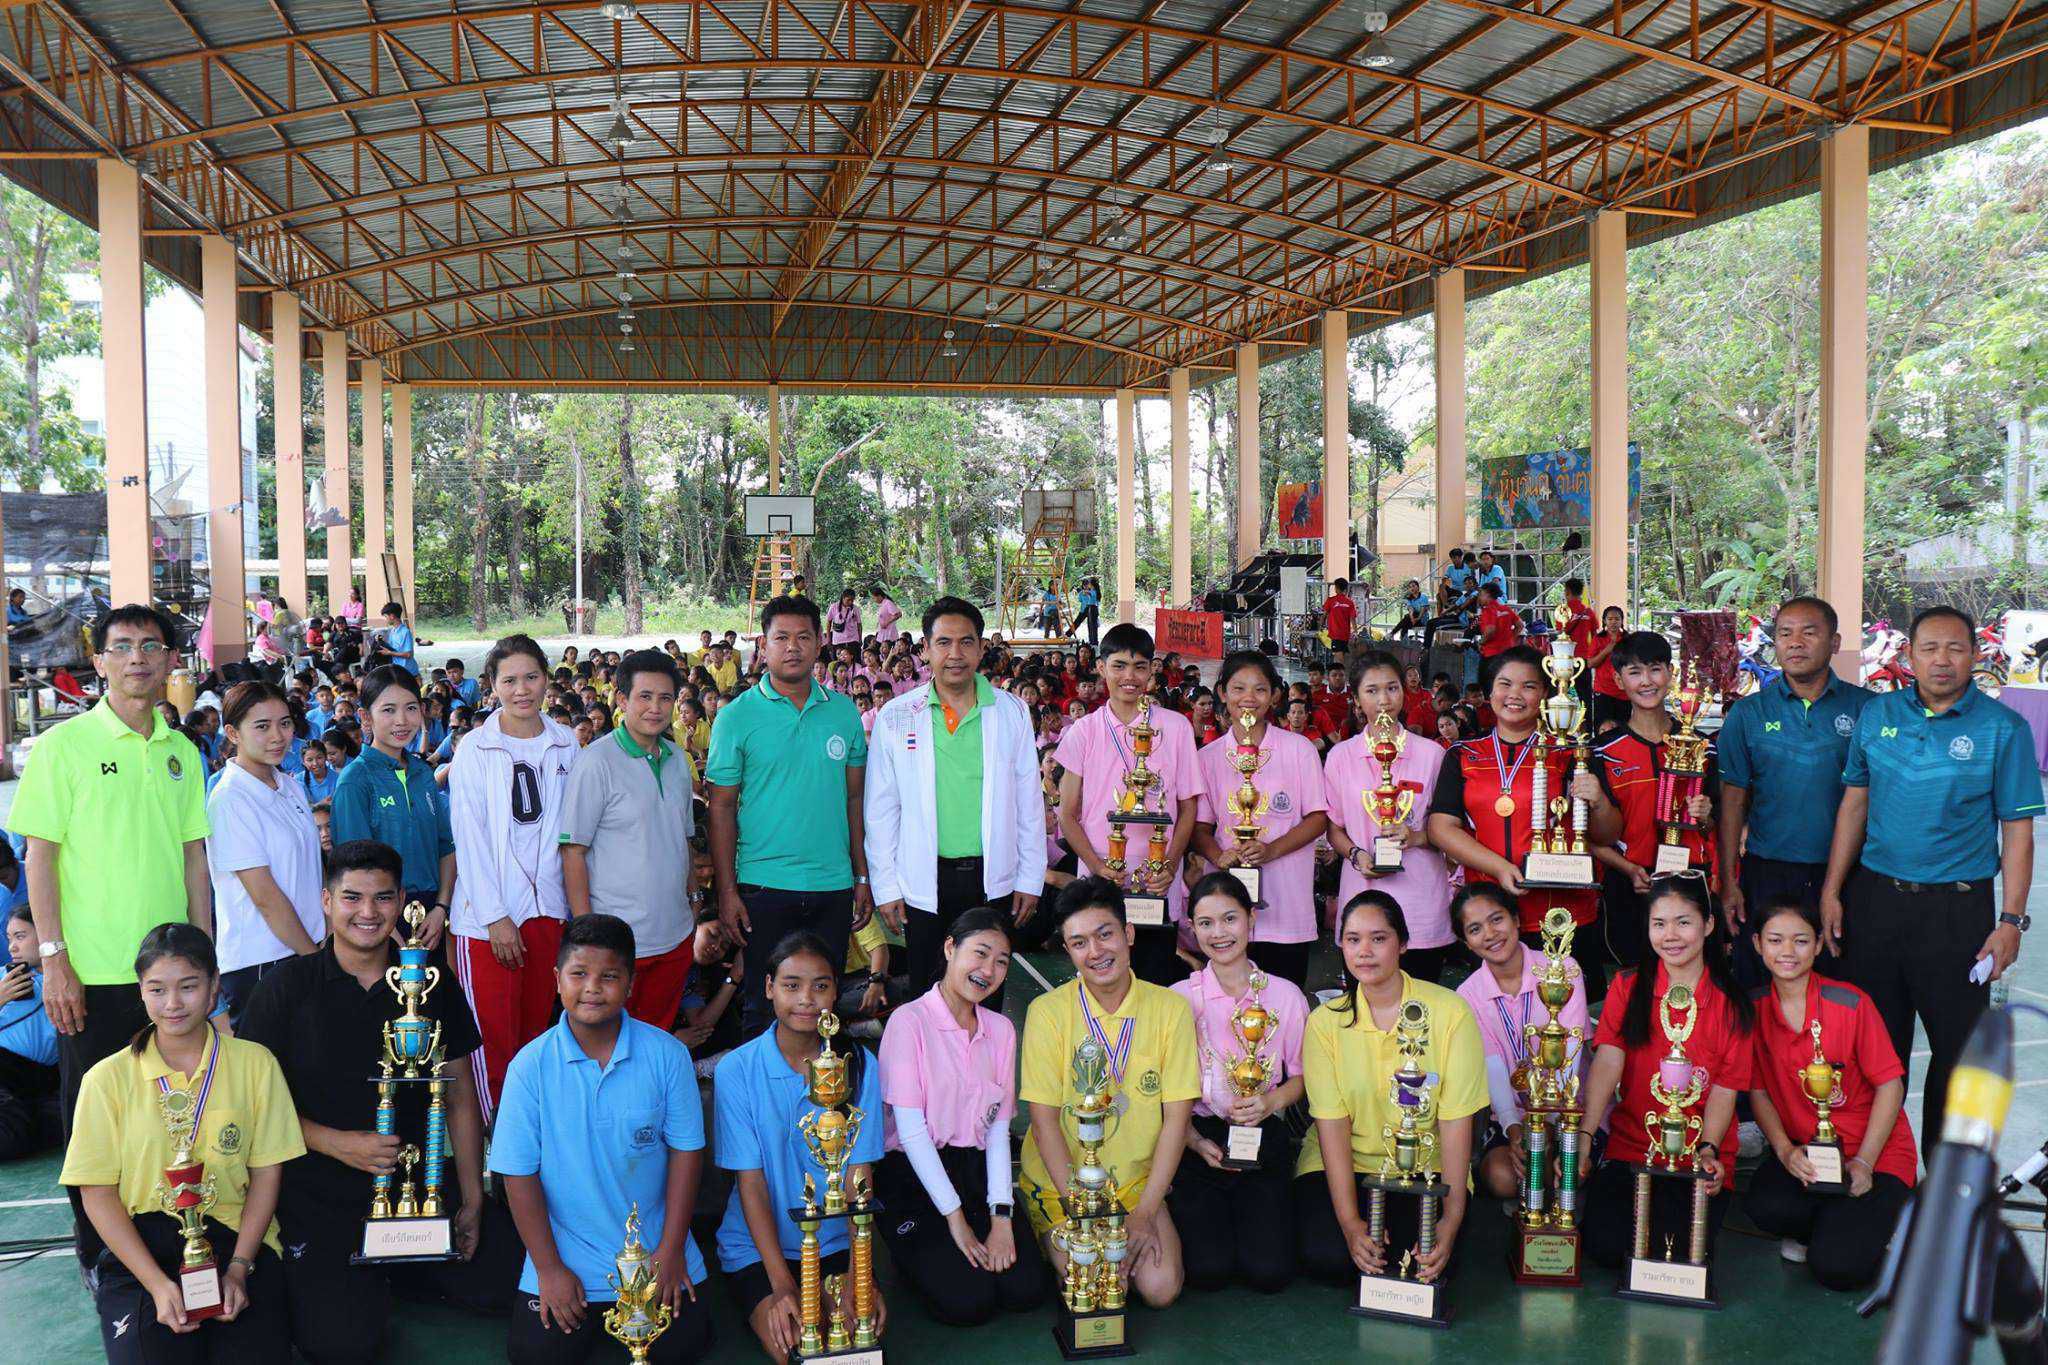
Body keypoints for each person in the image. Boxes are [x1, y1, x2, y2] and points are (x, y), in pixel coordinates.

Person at [238, 841, 521, 1363]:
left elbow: (458, 1096)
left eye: (382, 897)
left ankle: (404, 1268)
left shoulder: (430, 981)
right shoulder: (285, 989)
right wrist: (336, 1143)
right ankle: (374, 1275)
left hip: (420, 1186)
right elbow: (252, 1109)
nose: (367, 912)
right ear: (327, 901)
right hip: (320, 1194)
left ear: (401, 903)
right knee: (342, 1345)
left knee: (510, 1280)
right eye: (352, 897)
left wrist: (472, 1200)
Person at [10, 603, 211, 1260]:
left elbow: (194, 860)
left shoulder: (182, 752)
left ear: (170, 659)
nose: (136, 658)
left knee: (169, 1118)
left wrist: (204, 962)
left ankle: (164, 1243)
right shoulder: (63, 747)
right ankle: (101, 1255)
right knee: (95, 1123)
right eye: (121, 646)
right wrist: (54, 959)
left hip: (171, 978)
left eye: (150, 645)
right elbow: (39, 857)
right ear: (98, 661)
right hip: (91, 974)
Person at [1820, 604, 2042, 1154]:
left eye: (1955, 648)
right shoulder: (1878, 714)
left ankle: (1941, 1179)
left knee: (1956, 1051)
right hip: (1876, 903)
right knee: (1873, 1046)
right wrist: (1832, 890)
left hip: (1957, 914)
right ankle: (1878, 1172)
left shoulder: (2004, 729)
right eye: (1930, 648)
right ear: (1910, 655)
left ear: (1975, 654)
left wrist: (2011, 921)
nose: (1942, 660)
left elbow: (2017, 831)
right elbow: (1854, 805)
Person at [61, 924, 302, 1361]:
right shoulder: (104, 1079)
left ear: (214, 987)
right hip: (141, 1252)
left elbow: (267, 1172)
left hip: (236, 1239)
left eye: (188, 987)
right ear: (141, 991)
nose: (172, 1003)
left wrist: (238, 1269)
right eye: (157, 989)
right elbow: (96, 1192)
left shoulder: (256, 1064)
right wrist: (157, 1285)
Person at [493, 914, 715, 1364]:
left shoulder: (668, 1055)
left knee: (684, 1346)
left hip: (655, 1258)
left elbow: (687, 1154)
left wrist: (671, 1251)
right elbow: (518, 1175)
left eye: (609, 976)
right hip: (565, 1260)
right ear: (557, 980)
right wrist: (549, 1269)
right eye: (578, 974)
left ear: (630, 984)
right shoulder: (528, 1067)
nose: (592, 988)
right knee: (535, 1356)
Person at [1019, 878, 1197, 1310]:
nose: (1096, 952)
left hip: (1134, 1185)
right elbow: (1043, 1123)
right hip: (1063, 1185)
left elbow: (1177, 1119)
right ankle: (1050, 1236)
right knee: (1096, 1287)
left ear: (1128, 933)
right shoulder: (1047, 1013)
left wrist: (1143, 1214)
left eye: (1105, 934)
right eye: (1079, 943)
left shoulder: (1171, 1008)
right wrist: (1082, 1214)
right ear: (1067, 951)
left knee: (1161, 1288)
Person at [1294, 892, 1485, 1290]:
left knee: (1422, 1264)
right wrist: (1350, 1223)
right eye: (1353, 939)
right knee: (1329, 1258)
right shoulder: (1325, 1023)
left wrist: (1451, 1220)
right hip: (1348, 1163)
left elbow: (1455, 1123)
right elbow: (1332, 1125)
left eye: (1378, 938)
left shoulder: (1450, 1012)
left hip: (1427, 1166)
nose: (1364, 951)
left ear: (1403, 944)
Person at [713, 931, 886, 1363]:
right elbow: (751, 1183)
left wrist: (859, 1273)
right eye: (792, 985)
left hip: (835, 1243)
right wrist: (782, 1285)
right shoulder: (737, 1069)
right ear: (769, 987)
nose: (807, 999)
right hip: (757, 1247)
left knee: (853, 1341)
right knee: (796, 1345)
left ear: (836, 991)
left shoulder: (859, 1065)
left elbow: (859, 1176)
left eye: (820, 985)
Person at [708, 596, 872, 1040]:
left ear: (820, 643)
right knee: (762, 1007)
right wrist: (727, 890)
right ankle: (760, 1088)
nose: (793, 647)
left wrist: (861, 876)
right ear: (764, 645)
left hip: (832, 886)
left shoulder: (844, 712)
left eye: (803, 637)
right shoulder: (735, 717)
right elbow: (721, 807)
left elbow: (854, 799)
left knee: (823, 1009)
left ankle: (820, 1087)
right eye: (781, 637)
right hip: (762, 886)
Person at [865, 597, 1045, 998]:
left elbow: (1029, 804)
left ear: (981, 648)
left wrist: (1030, 877)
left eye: (966, 642)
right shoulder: (897, 715)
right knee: (927, 992)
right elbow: (881, 811)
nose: (955, 654)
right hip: (922, 879)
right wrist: (887, 887)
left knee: (986, 991)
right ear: (926, 649)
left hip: (992, 879)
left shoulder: (1012, 711)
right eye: (943, 643)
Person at [876, 906, 1047, 1325]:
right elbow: (912, 1134)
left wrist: (1001, 1216)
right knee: (969, 1302)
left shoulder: (1000, 1030)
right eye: (980, 953)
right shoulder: (908, 1022)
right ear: (950, 948)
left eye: (1001, 961)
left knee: (1026, 1289)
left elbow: (998, 1131)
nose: (989, 970)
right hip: (913, 1173)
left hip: (975, 1170)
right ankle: (913, 1250)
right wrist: (955, 1218)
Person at [1575, 877, 1752, 1269]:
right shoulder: (1627, 987)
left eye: (1683, 922)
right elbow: (1608, 1062)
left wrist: (1709, 1149)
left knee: (1677, 1252)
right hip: (1633, 1149)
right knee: (1607, 1247)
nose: (1670, 935)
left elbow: (1725, 1088)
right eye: (1659, 923)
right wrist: (1585, 1135)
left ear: (1708, 924)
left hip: (1699, 1157)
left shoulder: (1733, 1004)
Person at [1742, 896, 1915, 1289]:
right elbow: (1758, 1091)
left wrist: (1865, 1163)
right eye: (1775, 940)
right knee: (1765, 1206)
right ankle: (1832, 1228)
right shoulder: (1752, 1009)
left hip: (1876, 1155)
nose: (1788, 951)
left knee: (1838, 1270)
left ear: (1819, 944)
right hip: (1811, 1154)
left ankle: (1888, 1225)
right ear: (1757, 944)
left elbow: (1890, 1085)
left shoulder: (1851, 1003)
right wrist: (1785, 1151)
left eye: (1801, 940)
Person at [449, 635, 578, 1123]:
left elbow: (573, 833)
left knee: (535, 1037)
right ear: (492, 685)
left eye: (531, 677)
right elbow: (470, 837)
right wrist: (495, 916)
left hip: (548, 909)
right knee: (493, 1043)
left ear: (546, 678)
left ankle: (531, 1141)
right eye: (509, 680)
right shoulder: (475, 748)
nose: (521, 689)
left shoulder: (566, 743)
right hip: (490, 920)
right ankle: (498, 1148)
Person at [1426, 646, 1619, 973]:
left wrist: (1598, 801)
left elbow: (1607, 834)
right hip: (1490, 913)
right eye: (1505, 684)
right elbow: (1440, 828)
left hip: (1562, 912)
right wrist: (1500, 868)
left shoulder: (1573, 753)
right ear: (1489, 693)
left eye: (1528, 686)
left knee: (1566, 1000)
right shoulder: (1463, 754)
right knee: (1495, 1001)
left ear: (1544, 694)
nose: (1515, 694)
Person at [1716, 596, 1870, 987]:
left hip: (1847, 875)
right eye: (1785, 633)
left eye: (1809, 632)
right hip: (1767, 873)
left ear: (1834, 643)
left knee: (1838, 988)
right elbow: (1732, 801)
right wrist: (1729, 881)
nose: (1795, 642)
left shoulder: (1868, 709)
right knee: (1761, 991)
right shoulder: (1748, 714)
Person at [1167, 874, 1308, 1294]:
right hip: (1197, 1137)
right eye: (1205, 923)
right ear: (1192, 928)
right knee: (1207, 1272)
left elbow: (1302, 1077)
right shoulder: (1177, 998)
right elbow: (1162, 1092)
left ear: (1251, 920)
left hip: (1262, 1130)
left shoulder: (1285, 996)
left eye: (1230, 918)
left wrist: (1271, 1102)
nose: (1219, 933)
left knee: (1270, 1273)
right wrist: (1192, 1140)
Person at [1052, 624, 1200, 985]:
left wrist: (1169, 865)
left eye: (1139, 667)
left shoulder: (1176, 727)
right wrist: (1097, 867)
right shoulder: (1083, 731)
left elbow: (1188, 808)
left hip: (1157, 884)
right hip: (1100, 883)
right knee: (1102, 981)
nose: (1129, 677)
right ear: (1101, 668)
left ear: (1152, 671)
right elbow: (1067, 814)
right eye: (1119, 666)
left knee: (1155, 982)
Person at [561, 649, 700, 1030]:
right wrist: (588, 934)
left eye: (665, 698)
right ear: (621, 700)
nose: (656, 708)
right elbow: (573, 852)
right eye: (645, 696)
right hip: (617, 944)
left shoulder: (677, 759)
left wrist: (694, 899)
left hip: (675, 936)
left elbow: (683, 836)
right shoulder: (597, 762)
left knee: (655, 1039)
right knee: (609, 1041)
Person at [1189, 651, 1328, 989]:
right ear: (1222, 693)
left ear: (1275, 695)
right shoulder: (1207, 757)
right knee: (1226, 1006)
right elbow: (1200, 828)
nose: (1248, 698)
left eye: (1260, 689)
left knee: (1285, 1002)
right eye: (1238, 688)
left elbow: (1318, 818)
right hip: (1226, 910)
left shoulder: (1300, 749)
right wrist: (1219, 855)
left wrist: (1271, 850)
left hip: (1287, 907)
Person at [1589, 630, 1719, 976]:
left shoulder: (1704, 748)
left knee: (1693, 979)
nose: (1646, 681)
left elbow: (1716, 824)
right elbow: (1589, 836)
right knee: (1636, 981)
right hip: (1630, 883)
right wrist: (1627, 868)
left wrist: (1705, 816)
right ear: (1619, 680)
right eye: (1634, 672)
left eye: (1655, 669)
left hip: (1691, 882)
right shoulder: (1602, 751)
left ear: (1670, 674)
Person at [1322, 651, 1454, 983]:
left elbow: (1450, 827)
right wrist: (1356, 855)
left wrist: (1417, 837)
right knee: (1365, 1004)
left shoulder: (1432, 754)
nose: (1384, 700)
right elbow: (1333, 827)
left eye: (1392, 688)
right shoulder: (1340, 756)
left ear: (1404, 692)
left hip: (1421, 905)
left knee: (1421, 1004)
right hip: (1362, 901)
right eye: (1372, 690)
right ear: (1356, 699)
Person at [1451, 884, 1589, 1200]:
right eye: (1475, 929)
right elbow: (1493, 1068)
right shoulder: (1467, 995)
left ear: (1516, 919)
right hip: (1509, 1114)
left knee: (1567, 1173)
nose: (1490, 934)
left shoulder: (1563, 969)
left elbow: (1571, 1052)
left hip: (1568, 1108)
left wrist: (1548, 1124)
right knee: (1503, 1177)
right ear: (1466, 943)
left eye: (1496, 919)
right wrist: (1515, 1132)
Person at [205, 681, 324, 1025]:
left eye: (284, 723)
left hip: (306, 949)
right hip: (261, 962)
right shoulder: (230, 799)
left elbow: (310, 870)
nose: (278, 736)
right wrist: (314, 959)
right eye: (262, 726)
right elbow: (265, 897)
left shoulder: (290, 785)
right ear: (233, 733)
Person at [331, 666, 455, 938]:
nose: (402, 720)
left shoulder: (423, 773)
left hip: (431, 916)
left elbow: (445, 846)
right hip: (378, 919)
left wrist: (441, 908)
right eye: (388, 710)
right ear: (366, 716)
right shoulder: (356, 780)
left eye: (410, 708)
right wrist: (387, 931)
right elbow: (353, 867)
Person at [0, 904, 60, 1159]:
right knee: (10, 1137)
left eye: (20, 936)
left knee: (67, 1122)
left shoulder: (70, 983)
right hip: (4, 1069)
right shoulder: (4, 978)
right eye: (9, 938)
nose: (12, 947)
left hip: (41, 1080)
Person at [1588, 605, 1628, 730]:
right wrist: (1606, 650)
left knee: (1622, 729)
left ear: (1622, 621)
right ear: (1604, 621)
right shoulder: (1598, 639)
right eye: (1610, 619)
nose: (1613, 622)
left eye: (1617, 619)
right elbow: (1590, 664)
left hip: (1624, 691)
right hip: (1603, 690)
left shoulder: (1628, 639)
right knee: (1602, 727)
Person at [1473, 582, 1521, 660]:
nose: (1479, 598)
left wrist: (1481, 642)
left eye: (1481, 595)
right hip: (1508, 651)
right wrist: (1511, 638)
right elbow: (1520, 625)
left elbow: (1490, 631)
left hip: (1492, 653)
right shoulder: (1506, 609)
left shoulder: (1488, 611)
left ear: (1487, 595)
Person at [368, 602, 418, 677]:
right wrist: (380, 640)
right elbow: (393, 647)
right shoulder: (393, 631)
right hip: (397, 668)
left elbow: (409, 654)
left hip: (407, 670)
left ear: (392, 616)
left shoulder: (405, 632)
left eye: (386, 617)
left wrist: (390, 653)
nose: (386, 619)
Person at [1322, 578, 1355, 658]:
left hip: (1336, 634)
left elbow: (1324, 615)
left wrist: (1320, 626)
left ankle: (1340, 666)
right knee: (1342, 655)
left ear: (1336, 588)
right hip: (1345, 635)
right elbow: (1353, 619)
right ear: (1346, 588)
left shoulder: (1330, 600)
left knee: (1338, 657)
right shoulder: (1350, 602)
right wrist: (1355, 632)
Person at [1072, 578, 1101, 648]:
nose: (1088, 585)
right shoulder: (1093, 591)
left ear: (1092, 584)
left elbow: (1086, 592)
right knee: (1090, 626)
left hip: (1092, 608)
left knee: (1093, 626)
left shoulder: (1093, 591)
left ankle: (1094, 642)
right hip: (1090, 608)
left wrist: (1080, 590)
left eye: (1089, 584)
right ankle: (1092, 641)